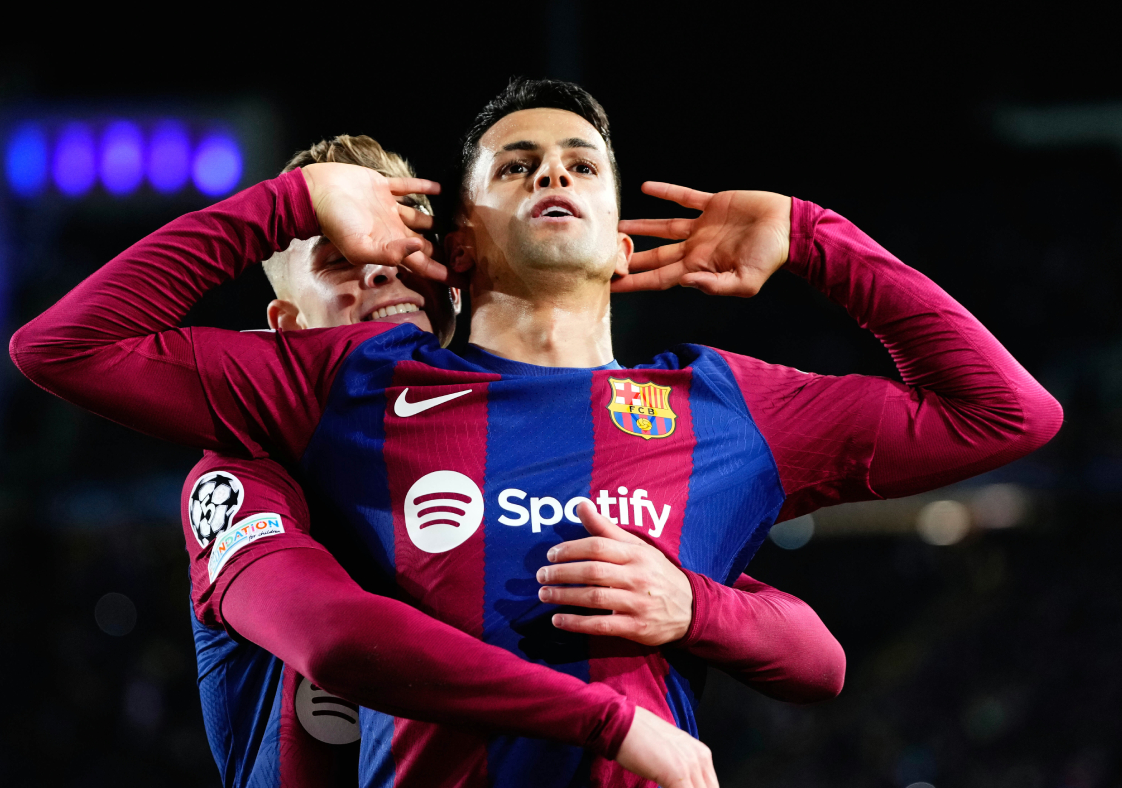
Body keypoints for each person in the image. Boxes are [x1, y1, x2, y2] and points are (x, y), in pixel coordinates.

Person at [11, 79, 1062, 787]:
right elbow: (64, 348)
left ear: (618, 240)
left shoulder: (720, 404)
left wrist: (815, 238)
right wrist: (287, 201)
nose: (552, 175)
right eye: (515, 166)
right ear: (463, 245)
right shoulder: (330, 400)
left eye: (580, 164)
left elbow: (1005, 417)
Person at [178, 136, 847, 788]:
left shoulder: (485, 460)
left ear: (451, 285)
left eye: (406, 248)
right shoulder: (244, 472)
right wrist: (611, 723)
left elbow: (817, 658)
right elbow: (337, 638)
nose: (382, 269)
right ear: (286, 324)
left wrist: (695, 605)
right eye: (339, 260)